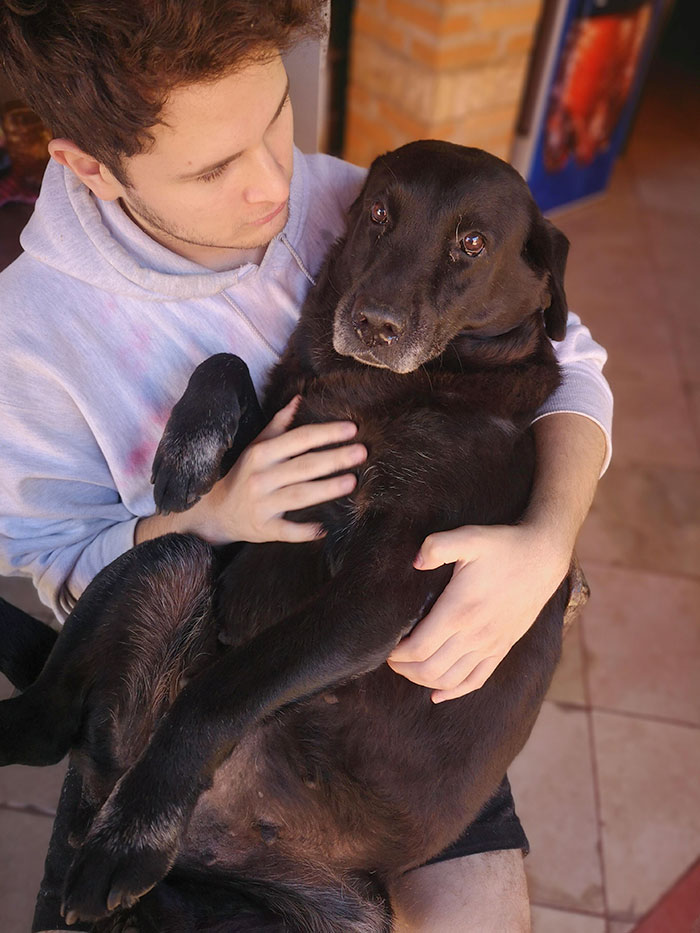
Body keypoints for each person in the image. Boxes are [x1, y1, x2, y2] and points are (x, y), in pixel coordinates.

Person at [0, 1, 612, 930]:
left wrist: (547, 539)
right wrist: (206, 519)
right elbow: (54, 558)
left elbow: (572, 362)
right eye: (213, 166)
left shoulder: (345, 195)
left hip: (385, 704)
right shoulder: (33, 333)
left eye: (276, 118)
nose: (271, 187)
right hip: (184, 668)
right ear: (88, 162)